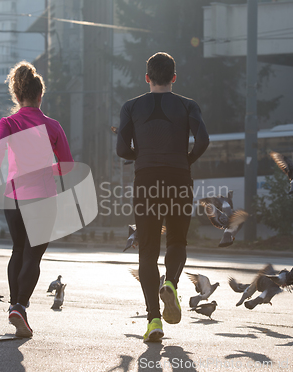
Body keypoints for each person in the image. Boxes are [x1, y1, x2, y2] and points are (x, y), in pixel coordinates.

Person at [116, 52, 209, 342]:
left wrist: (140, 156)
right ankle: (170, 282)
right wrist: (186, 160)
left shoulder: (131, 107)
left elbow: (121, 150)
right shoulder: (188, 105)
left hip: (146, 179)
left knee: (147, 249)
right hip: (179, 177)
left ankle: (154, 319)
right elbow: (203, 140)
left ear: (147, 78)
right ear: (174, 77)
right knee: (178, 241)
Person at [0, 61, 73, 338]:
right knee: (33, 255)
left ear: (17, 95)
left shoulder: (7, 123)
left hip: (13, 198)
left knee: (18, 251)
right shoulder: (52, 126)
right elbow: (67, 165)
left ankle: (14, 306)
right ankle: (21, 306)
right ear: (40, 95)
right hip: (43, 198)